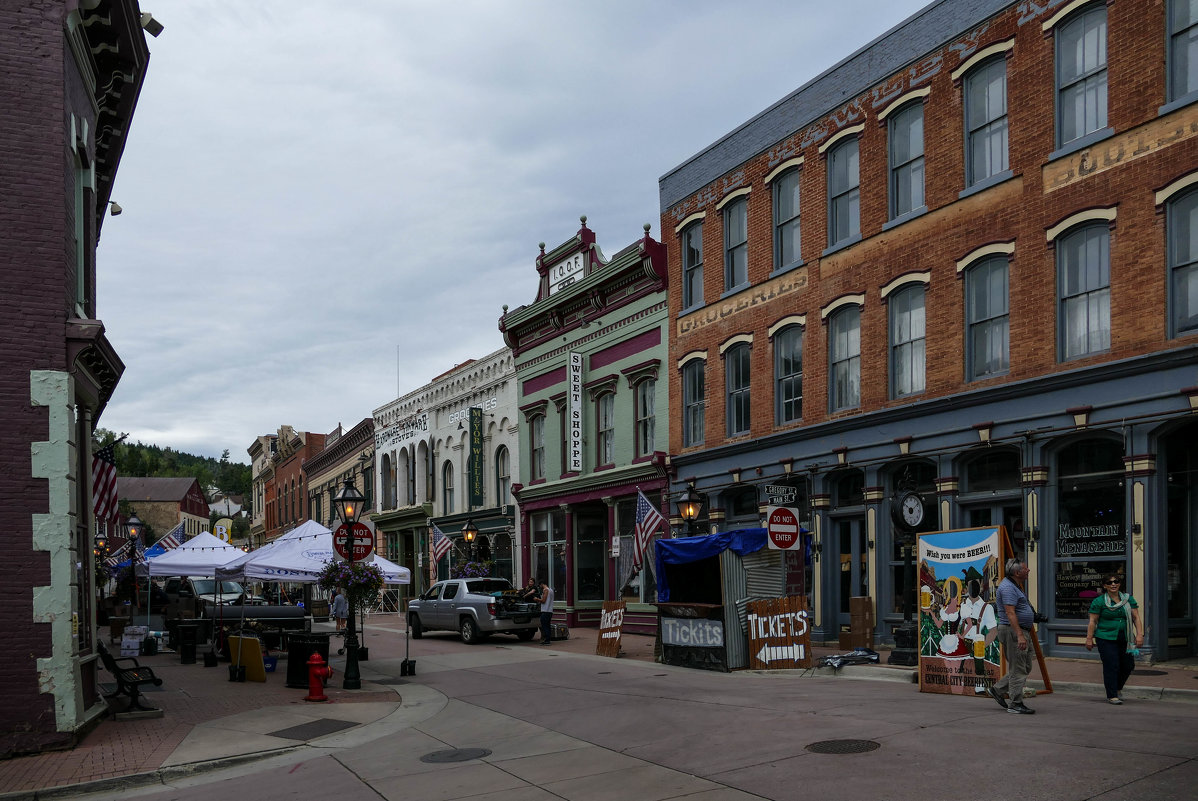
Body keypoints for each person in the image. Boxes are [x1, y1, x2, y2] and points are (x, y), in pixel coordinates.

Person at [987, 558, 1036, 714]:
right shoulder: (1008, 588)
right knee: (1018, 668)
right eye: (1025, 568)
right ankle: (1015, 703)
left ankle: (997, 689)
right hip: (1013, 631)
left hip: (1020, 630)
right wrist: (1020, 635)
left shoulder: (1016, 585)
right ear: (1017, 572)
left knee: (1025, 665)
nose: (1028, 570)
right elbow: (1010, 613)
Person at [1085, 573, 1144, 704]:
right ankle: (1112, 695)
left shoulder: (1128, 599)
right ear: (1105, 585)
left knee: (1128, 665)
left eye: (1116, 581)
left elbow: (1136, 618)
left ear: (1119, 584)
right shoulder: (1099, 601)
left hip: (1126, 637)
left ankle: (1117, 688)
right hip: (1105, 637)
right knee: (1111, 665)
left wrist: (1140, 634)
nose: (1113, 584)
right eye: (1110, 582)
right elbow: (1093, 621)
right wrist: (1089, 638)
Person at [536, 580, 554, 645]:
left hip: (545, 611)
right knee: (548, 626)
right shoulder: (551, 590)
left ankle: (546, 640)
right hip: (550, 611)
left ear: (542, 584)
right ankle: (548, 639)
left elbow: (543, 600)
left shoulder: (545, 590)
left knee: (544, 626)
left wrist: (537, 599)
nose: (540, 587)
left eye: (540, 585)